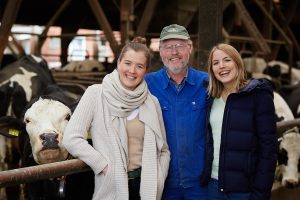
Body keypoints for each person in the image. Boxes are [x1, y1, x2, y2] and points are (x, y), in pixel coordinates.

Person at [62, 37, 170, 200]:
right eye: (127, 63)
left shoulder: (151, 102)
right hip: (111, 185)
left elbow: (163, 149)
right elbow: (71, 138)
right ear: (118, 62)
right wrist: (103, 165)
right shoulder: (96, 94)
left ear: (146, 70)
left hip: (146, 188)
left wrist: (159, 178)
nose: (132, 71)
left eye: (139, 66)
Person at [200, 43, 277, 200]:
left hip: (244, 189)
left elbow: (268, 150)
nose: (222, 66)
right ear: (212, 70)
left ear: (237, 62)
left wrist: (260, 194)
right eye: (216, 63)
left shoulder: (258, 96)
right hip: (213, 186)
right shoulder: (210, 97)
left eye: (227, 60)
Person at [145, 24, 208, 199]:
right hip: (163, 182)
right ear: (160, 51)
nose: (174, 52)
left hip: (199, 182)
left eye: (179, 45)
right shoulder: (147, 85)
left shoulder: (207, 84)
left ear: (190, 47)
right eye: (168, 47)